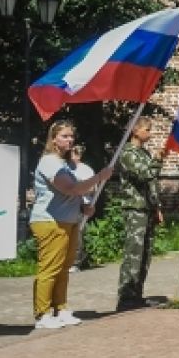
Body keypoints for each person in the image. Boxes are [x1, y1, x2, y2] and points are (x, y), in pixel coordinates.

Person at [28, 119, 111, 328]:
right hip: (50, 221)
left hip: (69, 220)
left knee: (64, 268)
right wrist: (99, 177)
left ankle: (61, 308)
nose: (70, 140)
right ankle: (42, 314)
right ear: (54, 139)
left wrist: (84, 207)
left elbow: (74, 195)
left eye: (71, 136)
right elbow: (71, 188)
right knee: (50, 267)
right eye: (64, 136)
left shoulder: (65, 164)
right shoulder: (49, 162)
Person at [114, 116, 164, 311]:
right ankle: (125, 296)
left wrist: (157, 207)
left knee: (145, 254)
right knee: (133, 253)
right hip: (134, 208)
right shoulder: (128, 153)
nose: (150, 134)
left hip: (147, 208)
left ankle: (137, 294)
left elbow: (152, 183)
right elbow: (144, 174)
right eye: (147, 130)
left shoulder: (144, 153)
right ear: (136, 131)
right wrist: (158, 161)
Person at [67, 144, 95, 273]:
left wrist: (78, 189)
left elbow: (92, 188)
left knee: (77, 234)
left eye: (73, 154)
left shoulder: (86, 170)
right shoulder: (65, 168)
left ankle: (76, 262)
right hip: (68, 204)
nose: (71, 157)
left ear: (78, 155)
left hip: (81, 205)